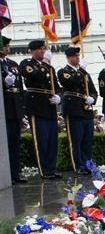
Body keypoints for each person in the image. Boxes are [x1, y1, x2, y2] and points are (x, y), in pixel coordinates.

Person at [20, 40, 62, 180]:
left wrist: (58, 97)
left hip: (50, 107)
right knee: (41, 140)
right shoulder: (27, 64)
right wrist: (45, 64)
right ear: (31, 51)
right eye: (39, 49)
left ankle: (51, 168)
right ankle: (44, 170)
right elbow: (33, 76)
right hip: (36, 106)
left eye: (43, 49)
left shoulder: (49, 68)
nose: (42, 51)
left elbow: (58, 87)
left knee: (52, 140)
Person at [58, 46, 98, 175]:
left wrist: (92, 98)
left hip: (86, 110)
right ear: (69, 57)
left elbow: (93, 89)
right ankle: (79, 165)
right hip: (73, 109)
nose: (77, 58)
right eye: (75, 56)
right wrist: (81, 70)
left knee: (87, 140)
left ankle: (87, 163)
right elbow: (71, 81)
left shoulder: (84, 73)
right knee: (76, 140)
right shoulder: (63, 71)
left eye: (78, 56)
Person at [1, 36, 26, 184]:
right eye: (4, 46)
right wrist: (4, 84)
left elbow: (20, 89)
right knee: (6, 145)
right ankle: (6, 175)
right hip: (4, 110)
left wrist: (22, 111)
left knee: (15, 144)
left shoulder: (12, 64)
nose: (6, 48)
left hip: (15, 110)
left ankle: (15, 173)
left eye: (7, 46)